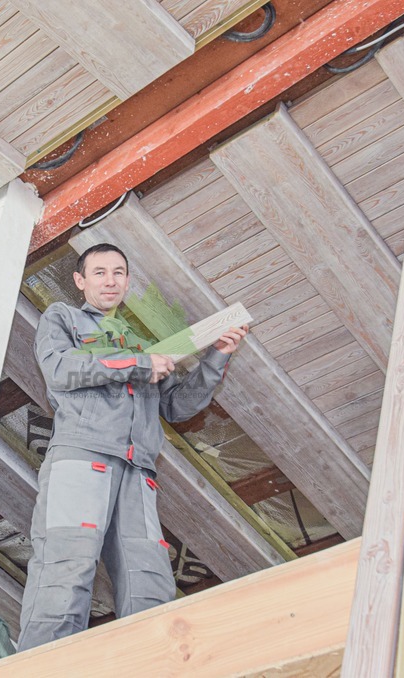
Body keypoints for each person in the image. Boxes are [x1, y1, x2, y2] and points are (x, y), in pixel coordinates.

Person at [17, 243, 248, 651]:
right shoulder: (64, 318)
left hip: (138, 470)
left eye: (119, 273)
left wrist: (216, 357)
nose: (110, 281)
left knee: (149, 580)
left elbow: (176, 406)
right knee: (66, 567)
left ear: (127, 282)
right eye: (100, 272)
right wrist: (139, 364)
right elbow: (60, 369)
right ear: (80, 281)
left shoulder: (141, 343)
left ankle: (151, 663)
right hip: (82, 459)